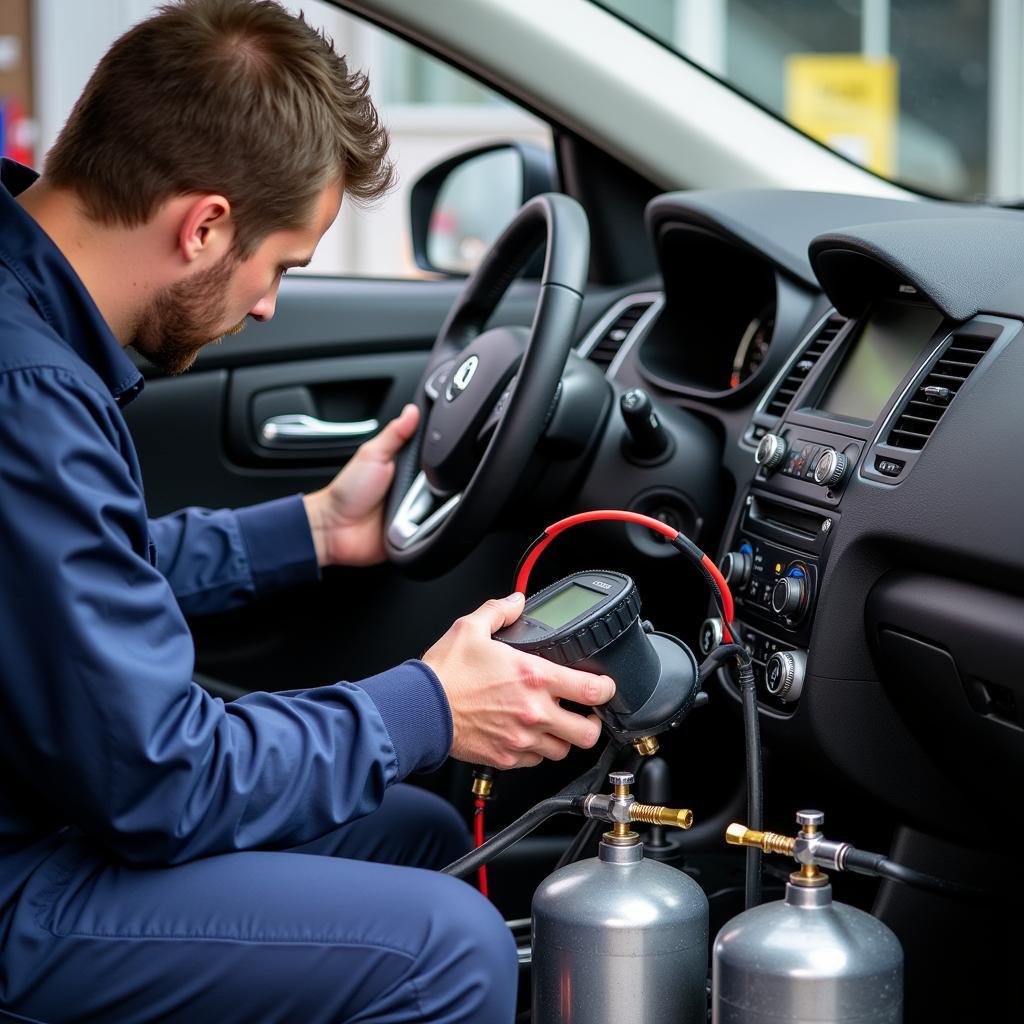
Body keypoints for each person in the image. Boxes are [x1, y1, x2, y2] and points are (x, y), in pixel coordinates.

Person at [0, 2, 615, 1021]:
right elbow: (160, 778)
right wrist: (430, 705)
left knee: (416, 831)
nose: (270, 306)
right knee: (449, 951)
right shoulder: (28, 388)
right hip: (22, 875)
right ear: (203, 225)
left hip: (38, 800)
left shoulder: (32, 326)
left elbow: (76, 576)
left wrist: (318, 530)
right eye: (279, 264)